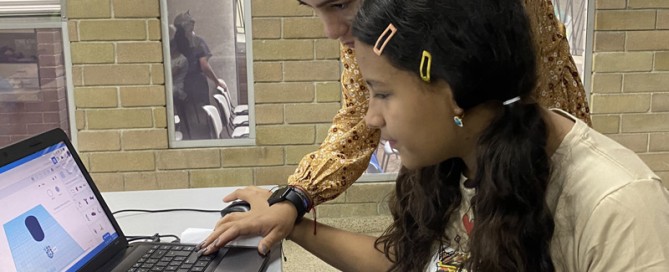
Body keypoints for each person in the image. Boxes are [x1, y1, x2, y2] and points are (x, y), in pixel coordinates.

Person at [204, 0, 669, 270]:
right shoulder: (458, 155)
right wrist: (294, 221)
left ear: (453, 91)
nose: (368, 120)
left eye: (382, 93)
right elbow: (405, 261)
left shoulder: (619, 207)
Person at [172, 11, 229, 140]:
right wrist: (216, 81)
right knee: (202, 120)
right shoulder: (197, 41)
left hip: (179, 87)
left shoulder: (172, 43)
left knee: (184, 120)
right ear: (189, 25)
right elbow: (204, 66)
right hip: (196, 86)